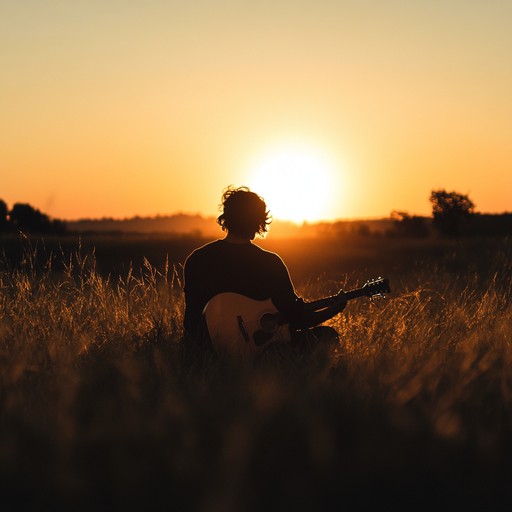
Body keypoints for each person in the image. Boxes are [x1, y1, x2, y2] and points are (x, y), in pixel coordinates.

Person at [183, 185, 347, 359]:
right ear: (258, 222)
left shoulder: (197, 259)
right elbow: (297, 319)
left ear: (226, 218)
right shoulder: (270, 263)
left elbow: (191, 320)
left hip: (205, 352)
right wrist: (334, 309)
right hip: (261, 355)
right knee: (328, 335)